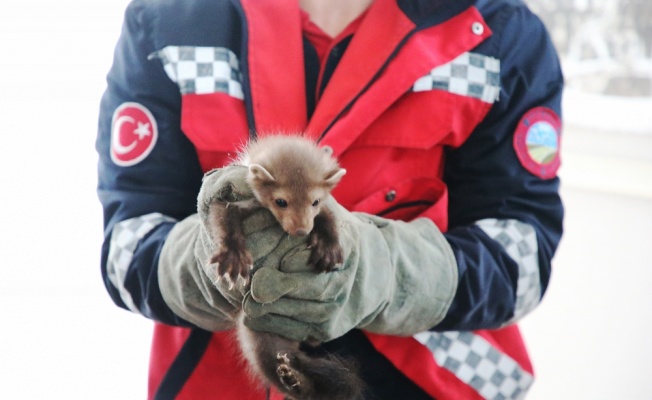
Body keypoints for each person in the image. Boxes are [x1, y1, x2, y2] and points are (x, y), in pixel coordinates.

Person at [96, 0, 564, 398]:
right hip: (217, 382)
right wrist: (208, 264)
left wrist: (384, 274)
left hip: (429, 381)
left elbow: (523, 260)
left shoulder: (498, 34)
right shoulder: (169, 20)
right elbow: (126, 245)